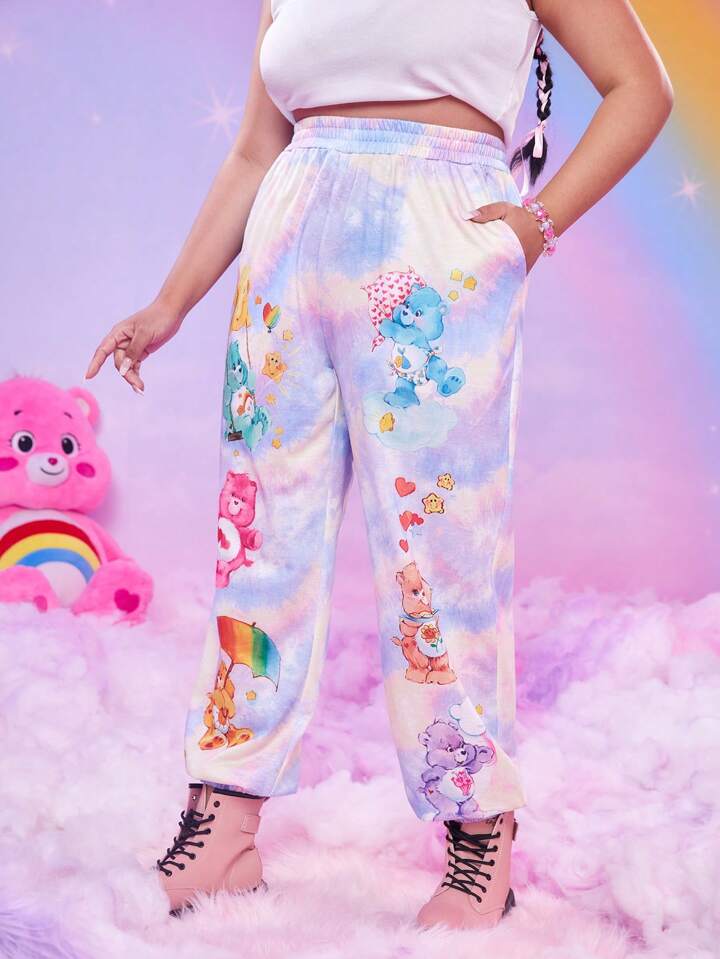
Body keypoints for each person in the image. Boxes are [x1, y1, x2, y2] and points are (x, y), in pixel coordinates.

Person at [85, 0, 673, 931]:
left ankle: (480, 833)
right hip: (288, 246)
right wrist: (170, 303)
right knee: (258, 543)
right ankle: (224, 823)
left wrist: (531, 229)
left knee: (440, 557)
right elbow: (255, 152)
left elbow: (641, 88)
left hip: (439, 245)